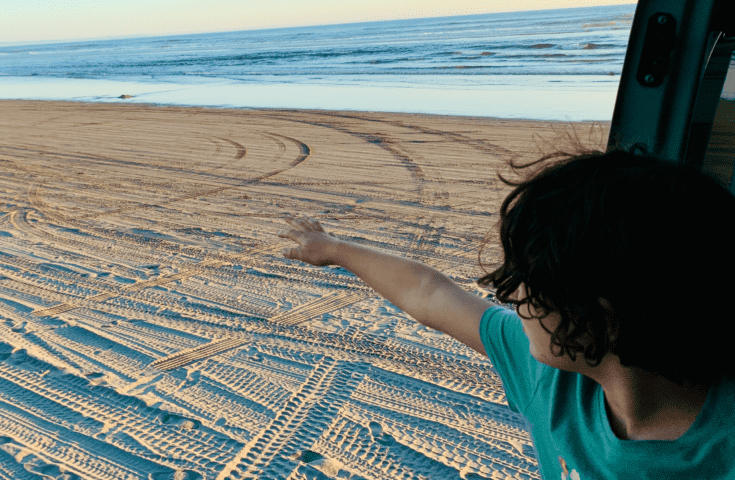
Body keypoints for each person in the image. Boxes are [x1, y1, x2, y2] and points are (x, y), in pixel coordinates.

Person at [280, 149, 735, 479]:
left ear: (602, 314)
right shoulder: (554, 376)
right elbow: (429, 293)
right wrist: (334, 249)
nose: (514, 295)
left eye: (532, 281)